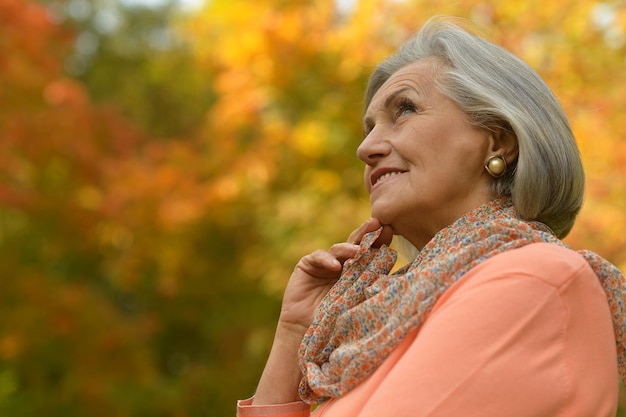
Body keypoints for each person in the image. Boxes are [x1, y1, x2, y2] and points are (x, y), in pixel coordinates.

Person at [237, 16, 626, 416]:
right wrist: (295, 334)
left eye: (404, 110)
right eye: (368, 129)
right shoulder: (396, 321)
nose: (366, 148)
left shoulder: (532, 278)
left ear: (499, 140)